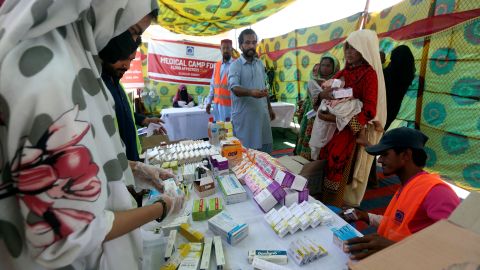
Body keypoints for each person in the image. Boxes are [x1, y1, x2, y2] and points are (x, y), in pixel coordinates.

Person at [0, 2, 184, 269]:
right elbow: (67, 236)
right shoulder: (48, 72)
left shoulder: (73, 58)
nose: (132, 46)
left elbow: (79, 156)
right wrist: (162, 208)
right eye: (132, 32)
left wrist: (134, 169)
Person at [341, 127, 460, 260]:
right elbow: (397, 224)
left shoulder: (437, 192)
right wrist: (365, 216)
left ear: (405, 155)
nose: (379, 160)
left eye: (385, 154)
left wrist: (392, 246)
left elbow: (454, 247)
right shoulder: (408, 185)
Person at [315, 29, 386, 207]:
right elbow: (326, 93)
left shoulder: (369, 74)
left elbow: (370, 110)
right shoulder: (344, 72)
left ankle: (334, 203)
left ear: (364, 49)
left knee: (337, 157)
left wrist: (342, 121)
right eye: (346, 48)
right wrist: (322, 96)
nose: (348, 52)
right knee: (322, 153)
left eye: (353, 48)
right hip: (334, 123)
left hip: (350, 128)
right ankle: (321, 198)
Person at [100, 31, 166, 163]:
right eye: (122, 58)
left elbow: (123, 114)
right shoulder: (98, 88)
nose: (127, 66)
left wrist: (144, 120)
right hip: (116, 168)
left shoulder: (118, 85)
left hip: (132, 161)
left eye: (130, 60)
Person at [228, 29, 275, 153]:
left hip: (262, 115)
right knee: (246, 154)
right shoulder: (235, 66)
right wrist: (251, 93)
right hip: (245, 118)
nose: (251, 46)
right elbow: (234, 88)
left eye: (254, 42)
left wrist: (269, 108)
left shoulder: (260, 64)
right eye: (247, 43)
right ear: (240, 45)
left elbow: (264, 88)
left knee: (265, 153)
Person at [294, 55, 339, 160]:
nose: (324, 68)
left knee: (326, 138)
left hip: (329, 115)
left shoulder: (338, 81)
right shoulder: (313, 81)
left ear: (335, 67)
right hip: (314, 114)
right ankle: (309, 159)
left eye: (328, 65)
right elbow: (321, 96)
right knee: (311, 136)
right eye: (323, 65)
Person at [383, 45, 415, 130]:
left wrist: (378, 62)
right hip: (391, 111)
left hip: (380, 110)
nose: (390, 61)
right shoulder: (407, 73)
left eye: (392, 59)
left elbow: (379, 77)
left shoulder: (391, 74)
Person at [206, 39, 235, 121]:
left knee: (229, 131)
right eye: (223, 48)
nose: (226, 50)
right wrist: (209, 102)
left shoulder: (236, 65)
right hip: (216, 106)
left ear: (231, 50)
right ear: (220, 50)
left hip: (230, 107)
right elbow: (213, 85)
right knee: (219, 131)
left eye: (228, 48)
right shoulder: (217, 65)